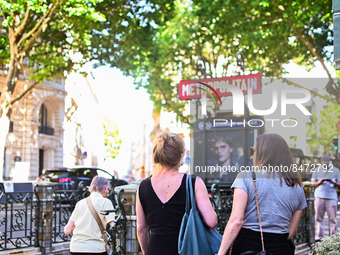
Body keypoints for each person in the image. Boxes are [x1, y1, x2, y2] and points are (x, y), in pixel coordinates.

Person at [217, 133, 307, 255]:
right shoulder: (297, 187)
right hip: (281, 249)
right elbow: (290, 232)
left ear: (263, 153)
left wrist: (221, 252)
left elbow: (236, 221)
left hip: (248, 249)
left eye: (252, 151)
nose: (251, 156)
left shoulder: (245, 177)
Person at [136, 132, 218, 255]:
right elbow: (211, 222)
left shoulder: (143, 186)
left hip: (155, 249)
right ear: (181, 155)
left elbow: (141, 229)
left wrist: (146, 251)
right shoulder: (193, 182)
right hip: (187, 249)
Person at [64, 176, 115, 255]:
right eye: (108, 189)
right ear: (105, 189)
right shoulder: (106, 202)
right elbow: (113, 225)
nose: (108, 192)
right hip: (95, 249)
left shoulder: (80, 203)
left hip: (76, 248)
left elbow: (67, 230)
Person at [311, 154, 340, 240]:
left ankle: (333, 238)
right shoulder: (316, 170)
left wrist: (333, 182)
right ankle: (319, 238)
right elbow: (313, 183)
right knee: (319, 218)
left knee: (332, 219)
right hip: (319, 197)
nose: (325, 165)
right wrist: (319, 181)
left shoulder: (335, 170)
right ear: (321, 162)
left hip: (331, 197)